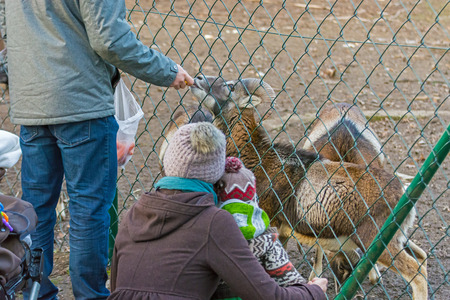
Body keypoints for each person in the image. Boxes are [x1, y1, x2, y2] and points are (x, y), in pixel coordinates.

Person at [3, 1, 194, 299]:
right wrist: (167, 71)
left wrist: (18, 69)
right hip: (82, 104)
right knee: (88, 210)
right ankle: (89, 294)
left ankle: (33, 291)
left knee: (36, 207)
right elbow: (110, 40)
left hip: (31, 102)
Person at [109, 122, 327, 300]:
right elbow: (267, 295)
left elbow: (116, 287)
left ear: (168, 162)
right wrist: (314, 291)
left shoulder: (132, 215)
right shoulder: (213, 222)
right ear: (218, 173)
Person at [212, 156, 310, 300]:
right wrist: (310, 289)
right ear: (254, 198)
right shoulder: (266, 239)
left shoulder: (207, 234)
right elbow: (290, 279)